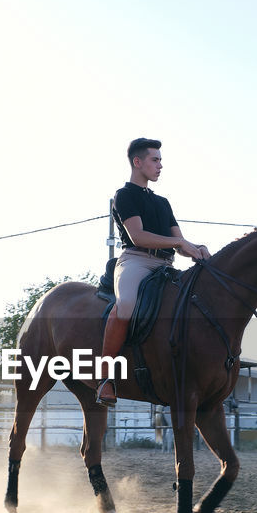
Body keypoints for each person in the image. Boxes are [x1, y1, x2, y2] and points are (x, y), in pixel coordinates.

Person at [97, 138, 210, 406]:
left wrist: (196, 248)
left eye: (160, 160)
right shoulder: (124, 196)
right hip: (136, 261)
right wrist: (181, 243)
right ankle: (105, 379)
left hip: (166, 265)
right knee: (126, 305)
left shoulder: (163, 203)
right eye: (155, 160)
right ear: (138, 162)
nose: (160, 165)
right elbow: (138, 237)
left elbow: (178, 243)